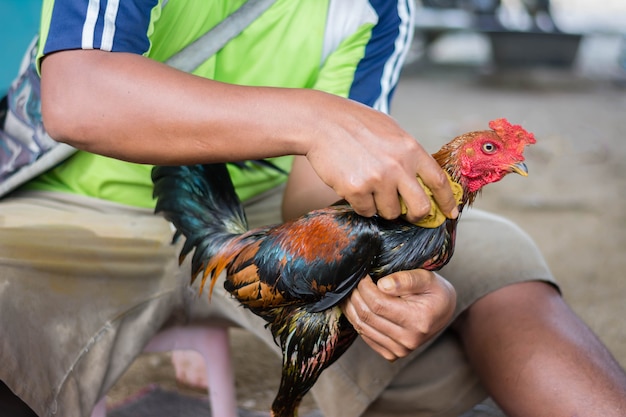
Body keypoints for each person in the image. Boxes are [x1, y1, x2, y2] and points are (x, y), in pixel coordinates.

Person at [1, 1, 625, 417]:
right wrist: (313, 118)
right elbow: (79, 95)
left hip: (267, 203)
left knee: (498, 267)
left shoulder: (376, 6)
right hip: (75, 195)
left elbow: (311, 198)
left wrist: (370, 276)